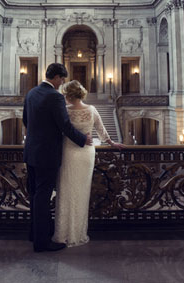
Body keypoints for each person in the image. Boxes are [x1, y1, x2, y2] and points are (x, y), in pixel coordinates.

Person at [23, 63, 92, 253]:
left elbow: (25, 120)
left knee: (35, 195)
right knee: (43, 197)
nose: (62, 83)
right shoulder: (55, 96)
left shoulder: (31, 93)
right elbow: (64, 125)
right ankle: (42, 242)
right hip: (47, 154)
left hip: (31, 152)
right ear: (56, 77)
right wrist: (82, 139)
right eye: (62, 79)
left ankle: (34, 234)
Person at [53, 80, 125, 247]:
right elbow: (101, 130)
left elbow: (60, 131)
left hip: (68, 152)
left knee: (65, 192)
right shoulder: (92, 110)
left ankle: (63, 234)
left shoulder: (65, 111)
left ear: (69, 95)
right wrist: (111, 143)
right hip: (86, 153)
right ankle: (78, 233)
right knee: (82, 192)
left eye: (66, 95)